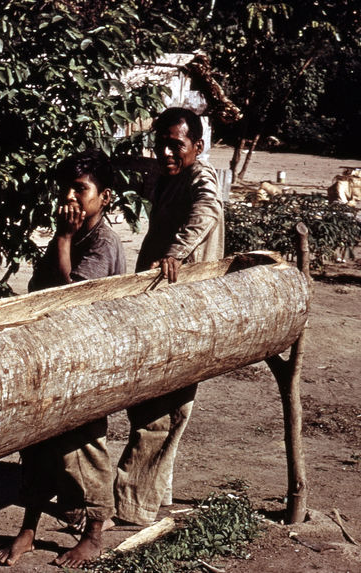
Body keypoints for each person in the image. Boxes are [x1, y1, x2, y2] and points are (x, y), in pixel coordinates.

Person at [0, 149, 124, 568]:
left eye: (80, 189)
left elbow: (73, 300)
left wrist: (64, 240)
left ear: (103, 197)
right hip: (55, 357)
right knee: (37, 444)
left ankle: (94, 534)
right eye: (65, 188)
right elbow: (37, 289)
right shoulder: (65, 235)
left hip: (91, 359)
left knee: (84, 445)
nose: (69, 196)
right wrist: (61, 241)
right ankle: (28, 529)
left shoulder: (102, 241)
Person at [115, 107, 225, 526]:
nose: (164, 152)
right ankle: (154, 494)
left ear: (198, 147)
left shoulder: (202, 176)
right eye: (160, 143)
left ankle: (133, 506)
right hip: (163, 301)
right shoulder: (168, 177)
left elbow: (208, 211)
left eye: (175, 145)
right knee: (155, 401)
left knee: (165, 407)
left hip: (188, 307)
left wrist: (175, 252)